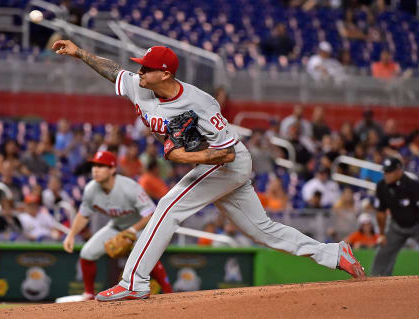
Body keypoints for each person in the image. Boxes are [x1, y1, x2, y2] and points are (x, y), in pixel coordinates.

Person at [53, 40, 365, 301]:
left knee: (168, 207)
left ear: (164, 74)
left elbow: (228, 154)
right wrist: (80, 53)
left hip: (229, 163)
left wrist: (184, 156)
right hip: (211, 163)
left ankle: (135, 281)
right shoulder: (141, 86)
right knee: (263, 231)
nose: (139, 71)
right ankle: (335, 254)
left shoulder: (199, 103)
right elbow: (114, 72)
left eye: (146, 67)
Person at [61, 151, 173, 301]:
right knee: (86, 253)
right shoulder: (91, 189)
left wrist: (132, 230)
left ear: (112, 169)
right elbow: (83, 214)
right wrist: (71, 234)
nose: (95, 169)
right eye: (94, 166)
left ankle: (169, 292)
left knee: (147, 257)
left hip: (140, 228)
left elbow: (151, 214)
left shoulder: (130, 187)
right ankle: (88, 294)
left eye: (101, 166)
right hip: (116, 226)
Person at [371, 156, 419, 276]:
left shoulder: (413, 185)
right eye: (385, 171)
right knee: (382, 255)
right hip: (396, 227)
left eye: (389, 171)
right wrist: (382, 234)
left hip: (416, 225)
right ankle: (378, 284)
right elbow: (381, 212)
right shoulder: (382, 186)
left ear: (399, 171)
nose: (386, 174)